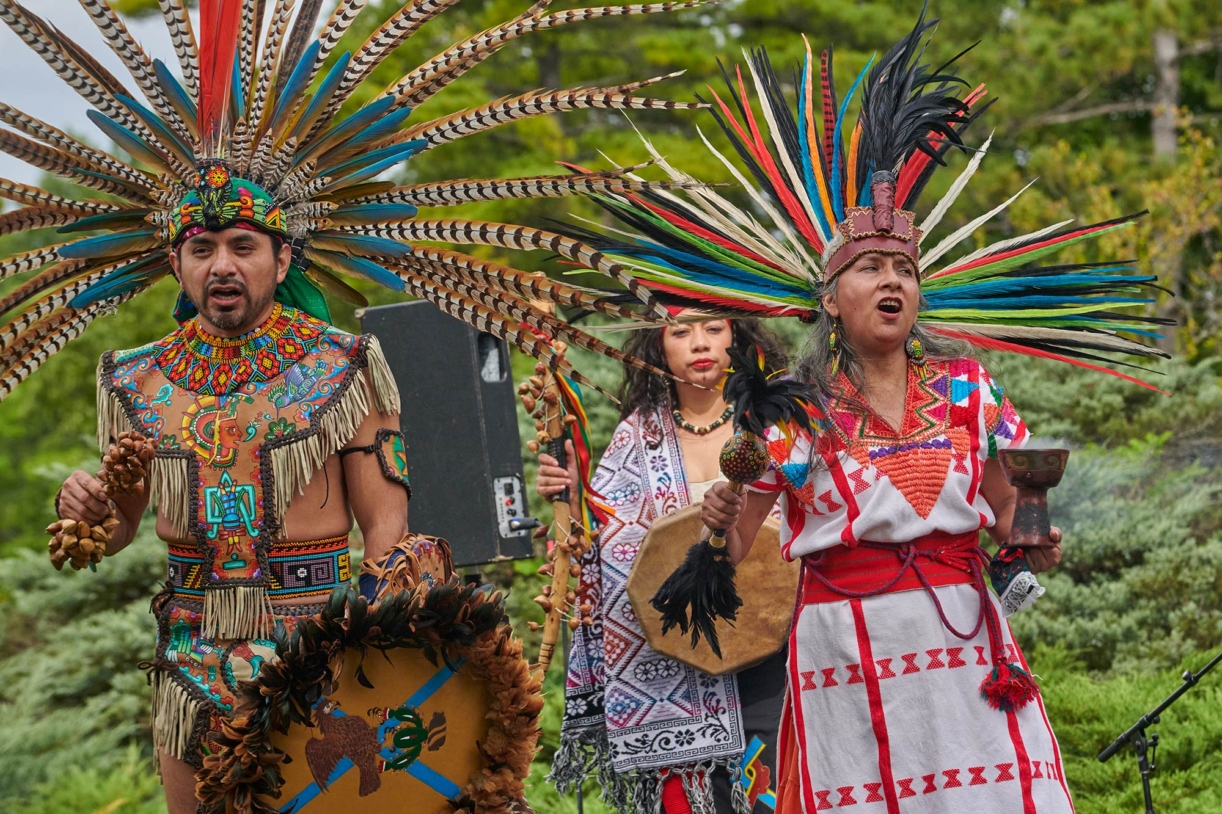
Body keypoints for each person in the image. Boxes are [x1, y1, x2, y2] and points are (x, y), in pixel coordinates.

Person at [548, 12, 1169, 812]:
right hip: (846, 655)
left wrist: (1033, 538)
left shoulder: (969, 390)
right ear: (831, 302)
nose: (892, 283)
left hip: (966, 648)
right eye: (870, 268)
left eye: (904, 271)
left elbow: (1016, 512)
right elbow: (740, 543)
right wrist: (720, 513)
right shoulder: (794, 416)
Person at [55, 185, 410, 814]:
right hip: (189, 655)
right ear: (177, 265)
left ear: (281, 259)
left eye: (243, 246)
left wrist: (377, 656)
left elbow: (386, 524)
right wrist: (84, 510)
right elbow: (118, 528)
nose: (222, 265)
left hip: (318, 648)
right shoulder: (135, 380)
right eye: (202, 248)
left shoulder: (344, 364)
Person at [540, 313, 791, 813]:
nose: (699, 343)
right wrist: (573, 499)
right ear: (659, 345)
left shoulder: (775, 422)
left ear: (736, 337)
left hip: (779, 651)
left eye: (713, 329)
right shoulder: (638, 437)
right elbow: (603, 549)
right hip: (677, 667)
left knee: (778, 792)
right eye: (681, 332)